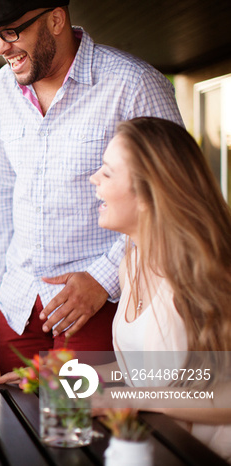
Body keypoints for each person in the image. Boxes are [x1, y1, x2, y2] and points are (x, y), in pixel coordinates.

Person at [0, 0, 184, 373]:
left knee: (82, 425)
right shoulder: (2, 88)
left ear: (55, 19)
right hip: (19, 305)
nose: (1, 47)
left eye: (12, 31)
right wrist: (6, 274)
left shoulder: (133, 84)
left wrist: (103, 279)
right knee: (16, 425)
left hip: (100, 304)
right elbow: (1, 189)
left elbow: (173, 198)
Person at [86, 117, 231, 460]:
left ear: (149, 194)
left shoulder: (205, 273)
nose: (94, 178)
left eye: (107, 172)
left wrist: (131, 399)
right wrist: (75, 374)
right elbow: (162, 367)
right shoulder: (131, 261)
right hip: (161, 449)